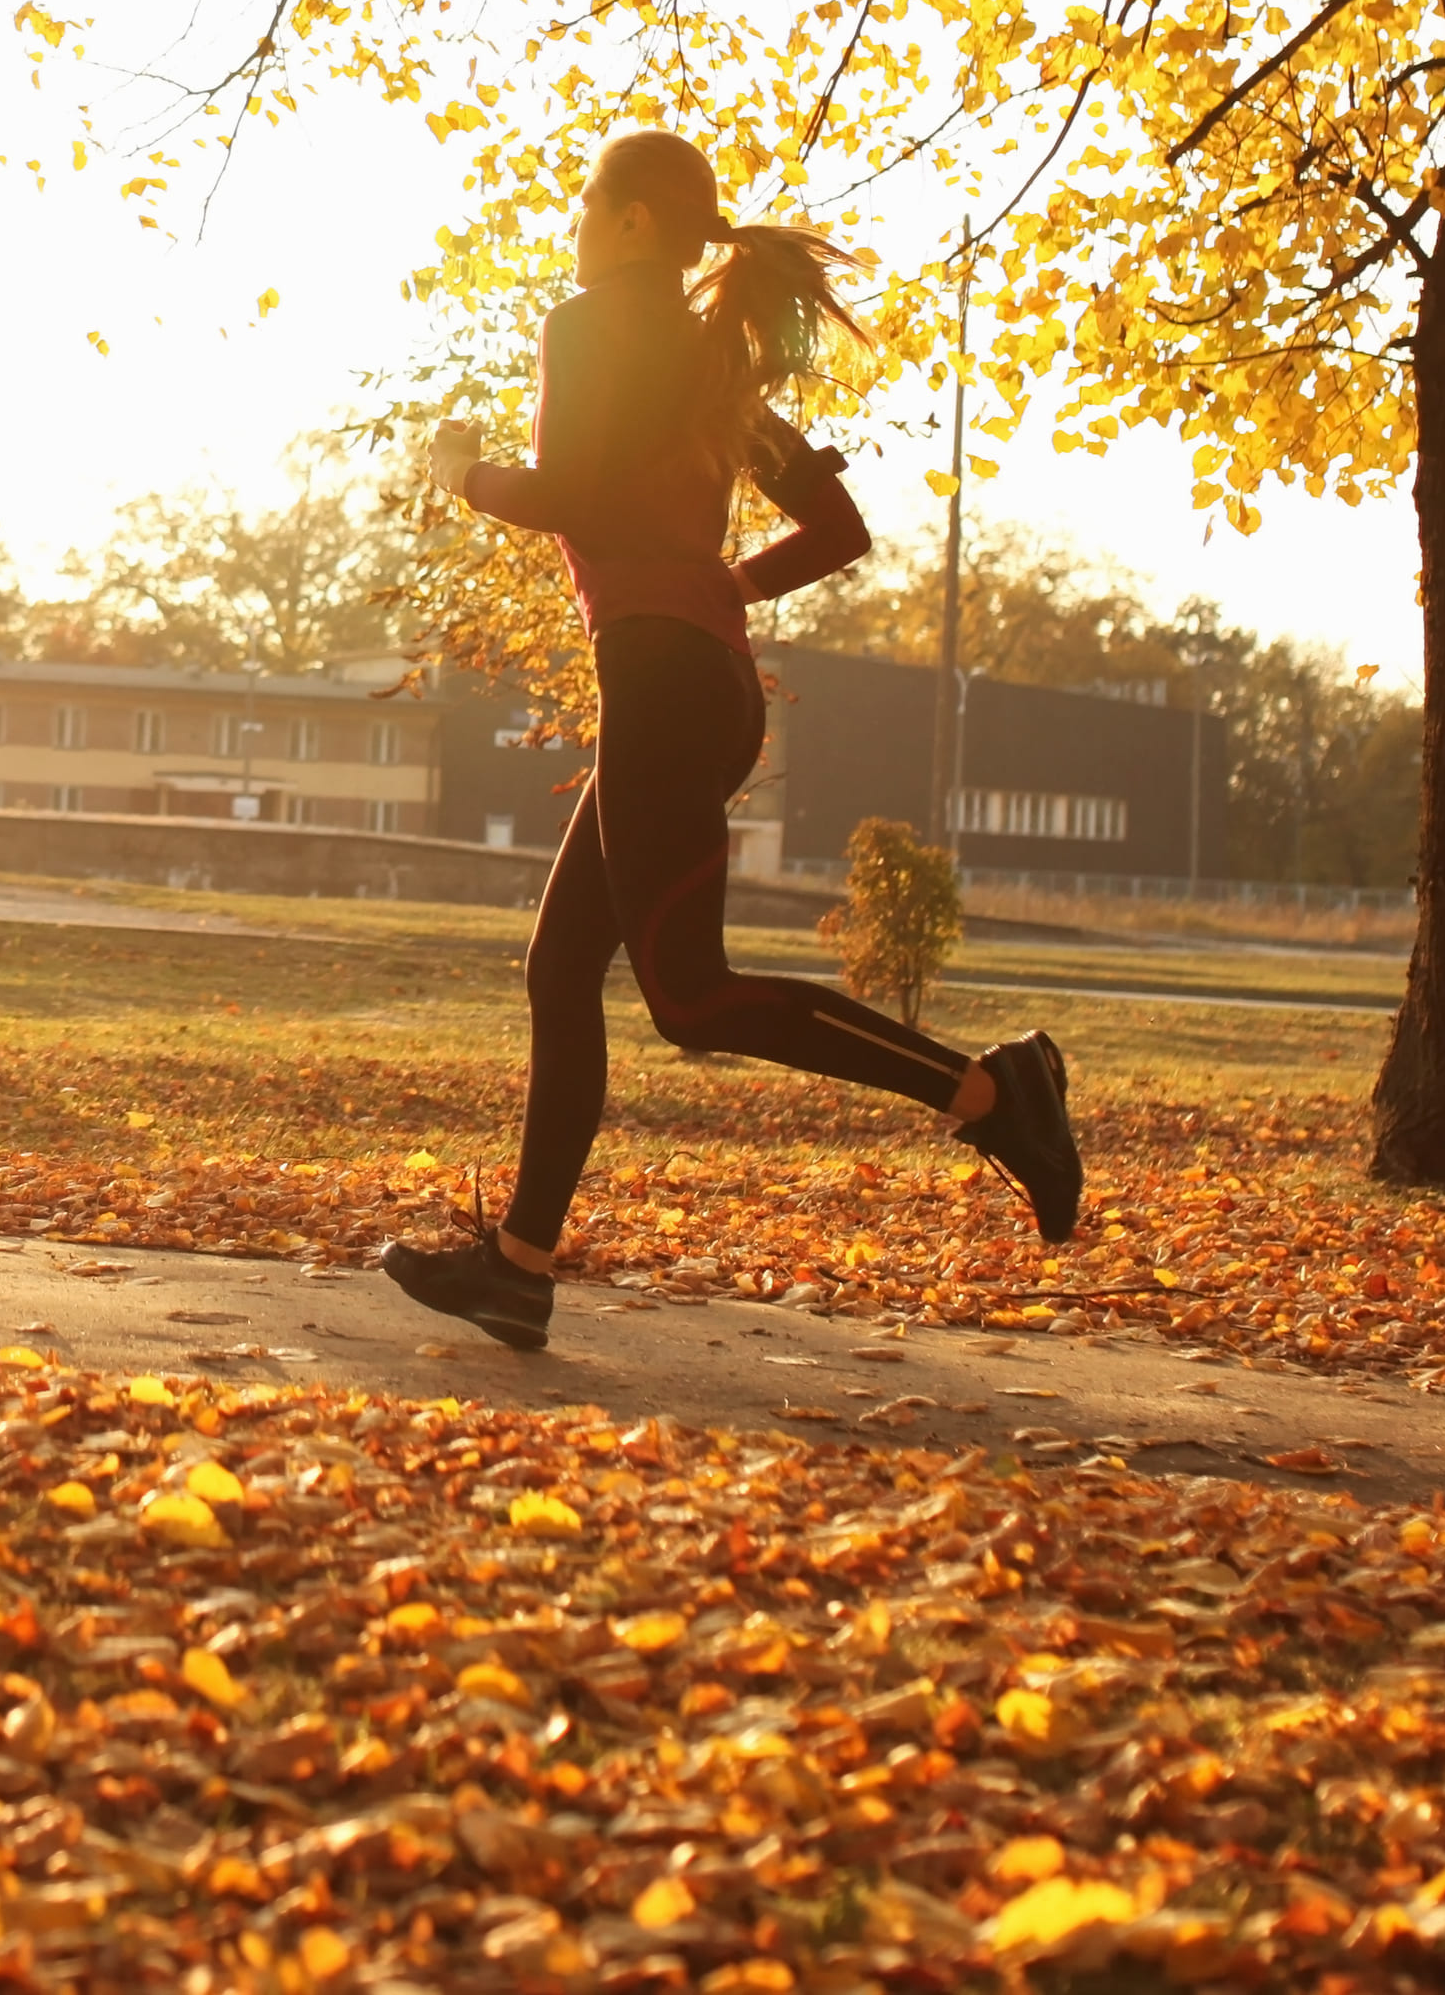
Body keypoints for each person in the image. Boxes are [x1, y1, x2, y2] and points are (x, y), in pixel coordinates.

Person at [381, 132, 1083, 1354]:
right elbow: (836, 527)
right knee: (560, 972)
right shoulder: (714, 366)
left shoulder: (590, 322)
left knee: (690, 999)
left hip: (662, 679)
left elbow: (572, 492)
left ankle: (991, 1091)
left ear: (636, 222)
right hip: (693, 674)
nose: (576, 230)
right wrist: (722, 588)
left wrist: (464, 471)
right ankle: (517, 1267)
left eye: (585, 208)